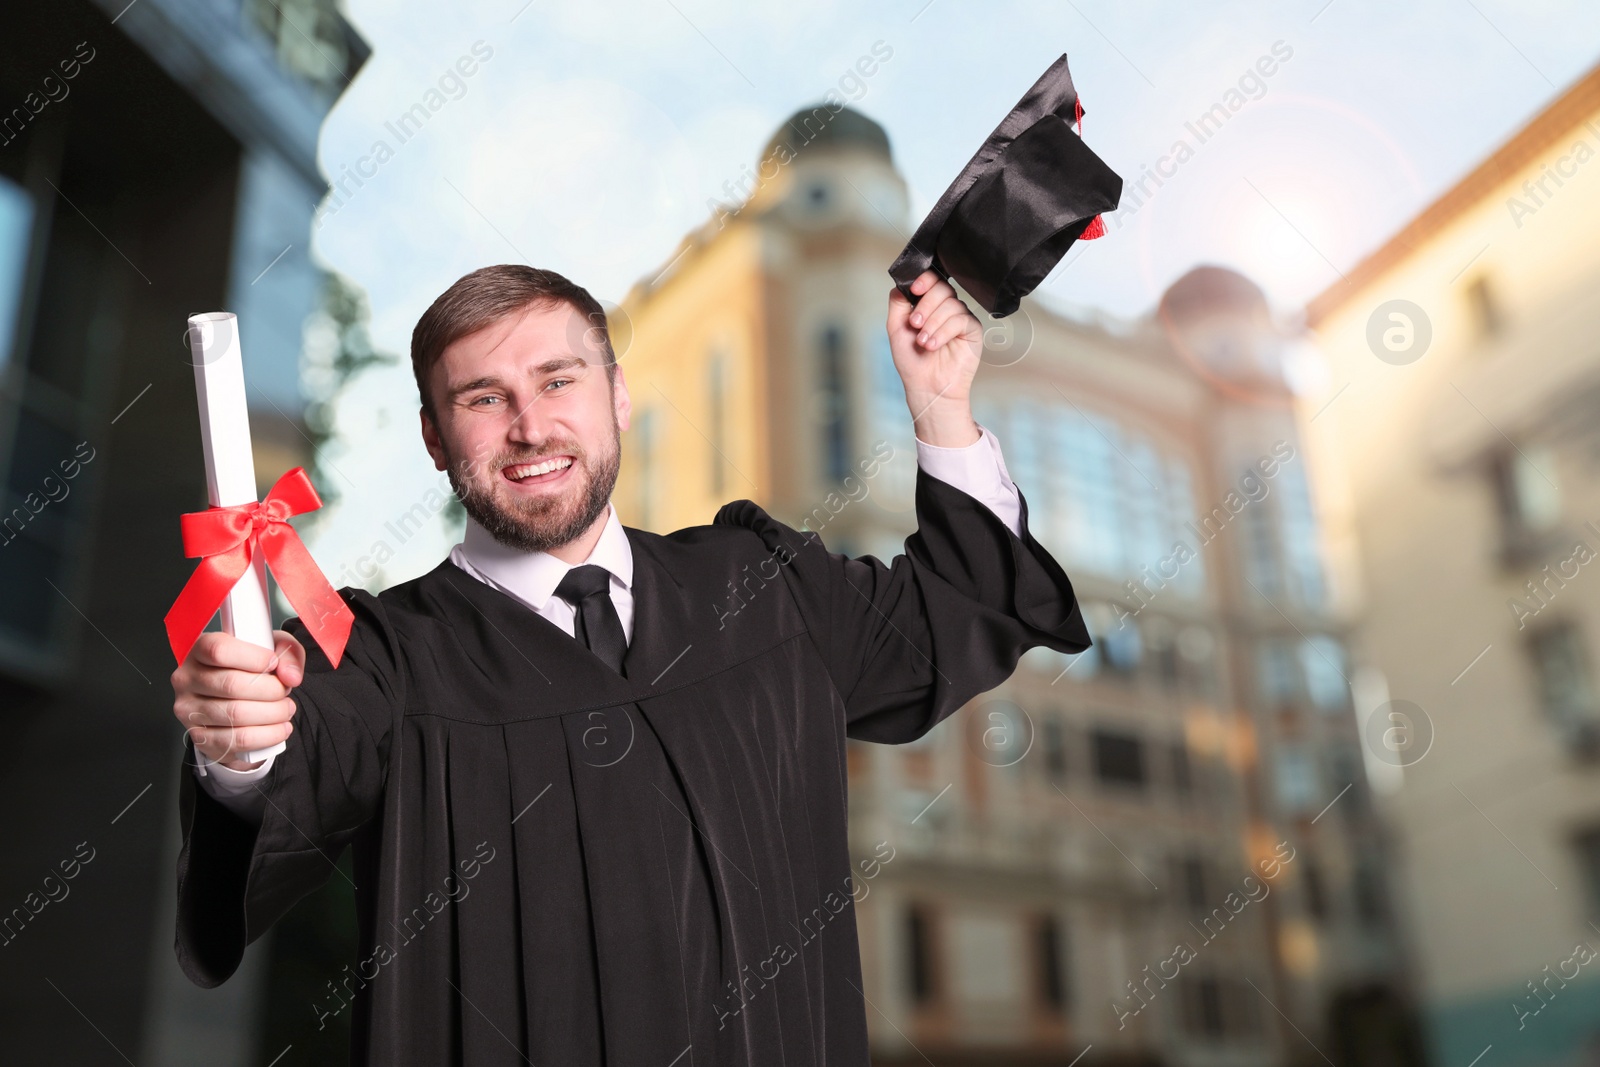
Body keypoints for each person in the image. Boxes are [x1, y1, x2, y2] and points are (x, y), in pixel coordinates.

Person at [169, 262, 1091, 1065]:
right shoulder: (381, 653)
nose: (531, 428)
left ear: (617, 395)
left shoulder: (759, 583)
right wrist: (239, 746)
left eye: (558, 381)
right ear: (435, 440)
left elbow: (956, 616)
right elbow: (292, 765)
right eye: (484, 399)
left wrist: (940, 406)